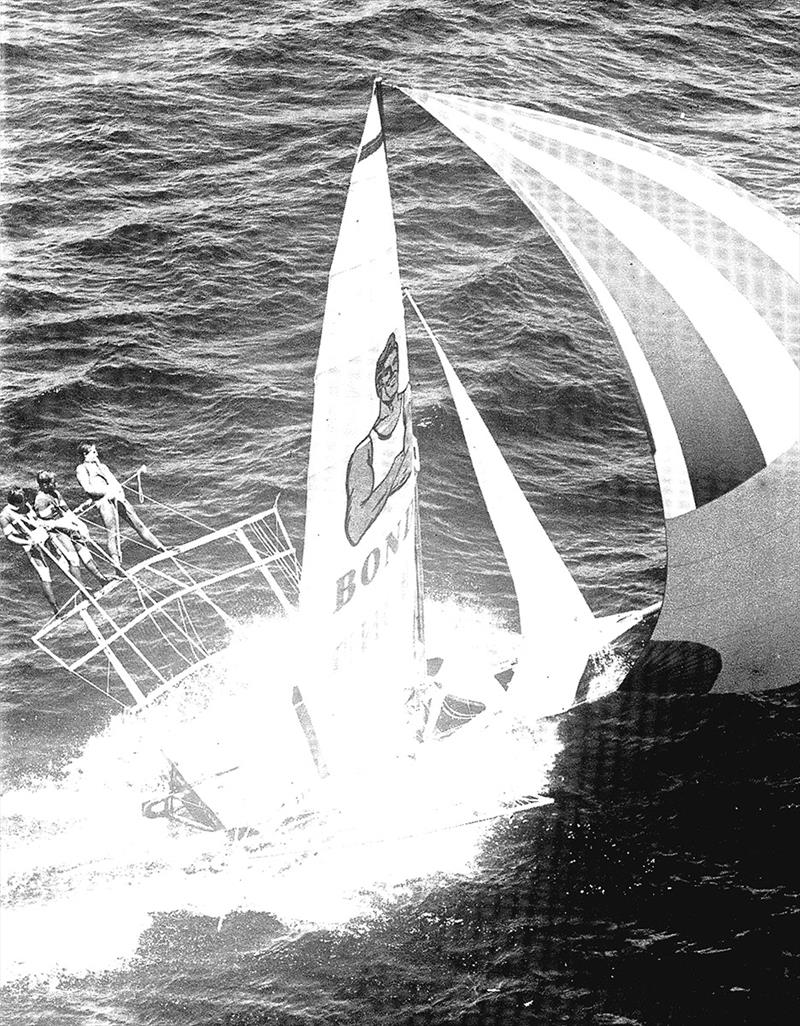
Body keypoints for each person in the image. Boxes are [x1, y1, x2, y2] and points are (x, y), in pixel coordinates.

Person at [344, 333, 414, 545]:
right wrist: (394, 473)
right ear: (376, 382)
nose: (391, 376)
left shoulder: (406, 402)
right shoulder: (365, 452)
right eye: (385, 371)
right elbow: (354, 531)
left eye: (395, 368)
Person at [75, 442, 166, 566]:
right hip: (103, 501)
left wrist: (119, 494)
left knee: (138, 524)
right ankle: (117, 565)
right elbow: (88, 489)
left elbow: (115, 483)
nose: (97, 454)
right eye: (93, 452)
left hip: (116, 498)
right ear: (85, 454)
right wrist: (107, 491)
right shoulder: (81, 469)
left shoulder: (103, 467)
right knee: (113, 533)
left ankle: (161, 548)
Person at [34, 470, 111, 587]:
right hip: (56, 532)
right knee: (73, 559)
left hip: (66, 526)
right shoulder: (41, 501)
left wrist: (80, 524)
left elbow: (67, 512)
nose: (56, 485)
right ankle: (82, 589)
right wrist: (69, 525)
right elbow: (49, 523)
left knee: (84, 552)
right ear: (44, 485)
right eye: (53, 483)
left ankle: (102, 579)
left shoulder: (55, 493)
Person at [0, 487, 71, 613]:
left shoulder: (26, 504)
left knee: (62, 560)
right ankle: (56, 609)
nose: (26, 502)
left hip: (42, 534)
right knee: (44, 574)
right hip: (30, 542)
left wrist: (44, 524)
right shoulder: (5, 516)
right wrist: (29, 542)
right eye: (22, 501)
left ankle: (80, 587)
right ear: (16, 503)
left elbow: (35, 519)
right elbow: (10, 537)